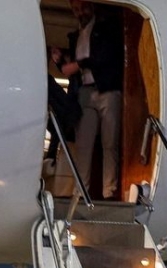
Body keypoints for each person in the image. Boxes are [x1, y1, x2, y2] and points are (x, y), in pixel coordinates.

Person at [62, 0, 123, 200]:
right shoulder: (75, 36)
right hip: (85, 91)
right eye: (76, 9)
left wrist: (78, 65)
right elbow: (73, 68)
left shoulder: (107, 28)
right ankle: (80, 191)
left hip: (107, 89)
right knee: (84, 145)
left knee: (109, 142)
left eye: (83, 7)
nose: (80, 12)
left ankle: (109, 191)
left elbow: (104, 55)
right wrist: (62, 61)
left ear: (91, 5)